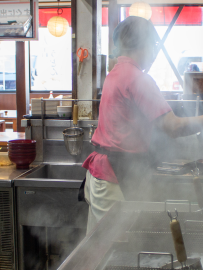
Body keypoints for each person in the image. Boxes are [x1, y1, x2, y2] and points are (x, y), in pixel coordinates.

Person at [82, 16, 203, 233]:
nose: (155, 53)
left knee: (98, 249)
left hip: (104, 174)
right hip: (113, 175)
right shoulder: (137, 78)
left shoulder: (116, 73)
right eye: (154, 45)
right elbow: (172, 126)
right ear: (144, 43)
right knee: (112, 249)